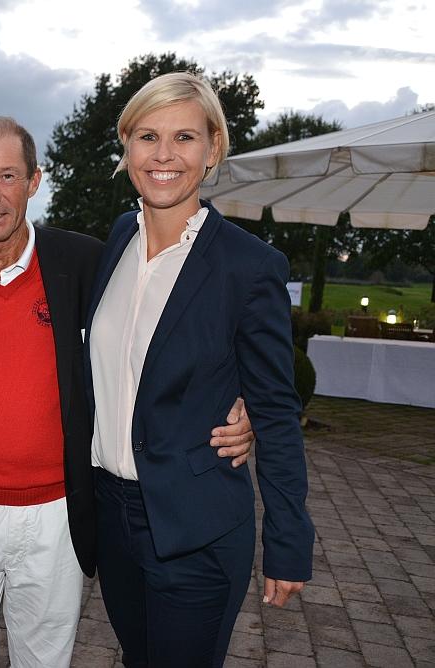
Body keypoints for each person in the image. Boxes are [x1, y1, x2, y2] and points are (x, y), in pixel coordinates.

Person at [0, 115, 254, 668]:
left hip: (60, 516)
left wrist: (243, 401)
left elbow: (174, 329)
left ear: (34, 181)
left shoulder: (86, 262)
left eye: (7, 176)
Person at [85, 72, 315, 668]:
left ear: (213, 149)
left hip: (197, 528)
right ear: (126, 146)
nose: (163, 155)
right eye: (147, 136)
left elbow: (276, 412)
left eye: (184, 138)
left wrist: (288, 540)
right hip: (113, 518)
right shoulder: (118, 239)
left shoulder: (249, 266)